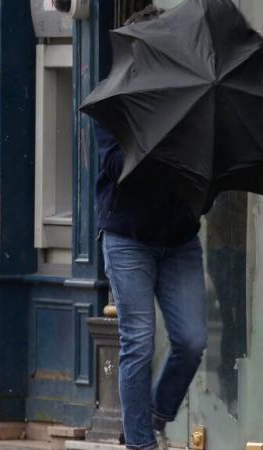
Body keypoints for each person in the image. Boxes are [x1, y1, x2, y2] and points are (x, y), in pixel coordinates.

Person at [96, 6, 210, 450]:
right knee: (138, 344)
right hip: (128, 237)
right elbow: (110, 164)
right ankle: (141, 444)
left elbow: (207, 170)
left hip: (179, 236)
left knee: (192, 340)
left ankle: (155, 419)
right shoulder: (114, 99)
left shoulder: (194, 99)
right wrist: (152, 135)